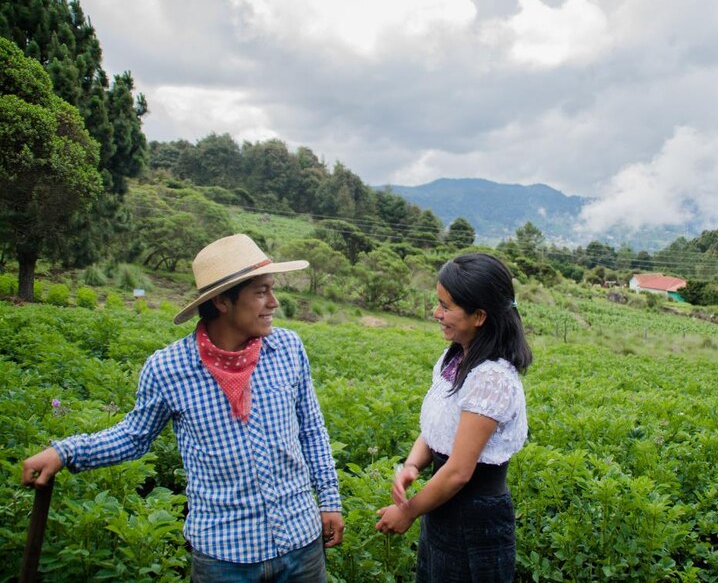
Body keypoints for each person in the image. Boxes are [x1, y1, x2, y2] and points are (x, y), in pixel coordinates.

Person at [21, 234, 344, 582]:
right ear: (222, 301)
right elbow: (133, 437)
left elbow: (311, 429)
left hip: (300, 542)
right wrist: (65, 452)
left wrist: (329, 499)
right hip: (225, 555)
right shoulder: (170, 368)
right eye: (261, 292)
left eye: (272, 290)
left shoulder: (287, 348)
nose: (274, 302)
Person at [375, 252, 531, 582]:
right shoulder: (455, 358)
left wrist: (407, 511)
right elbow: (438, 428)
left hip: (475, 520)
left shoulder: (491, 378)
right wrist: (412, 466)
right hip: (442, 505)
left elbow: (459, 471)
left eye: (445, 306)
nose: (437, 313)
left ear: (479, 316)